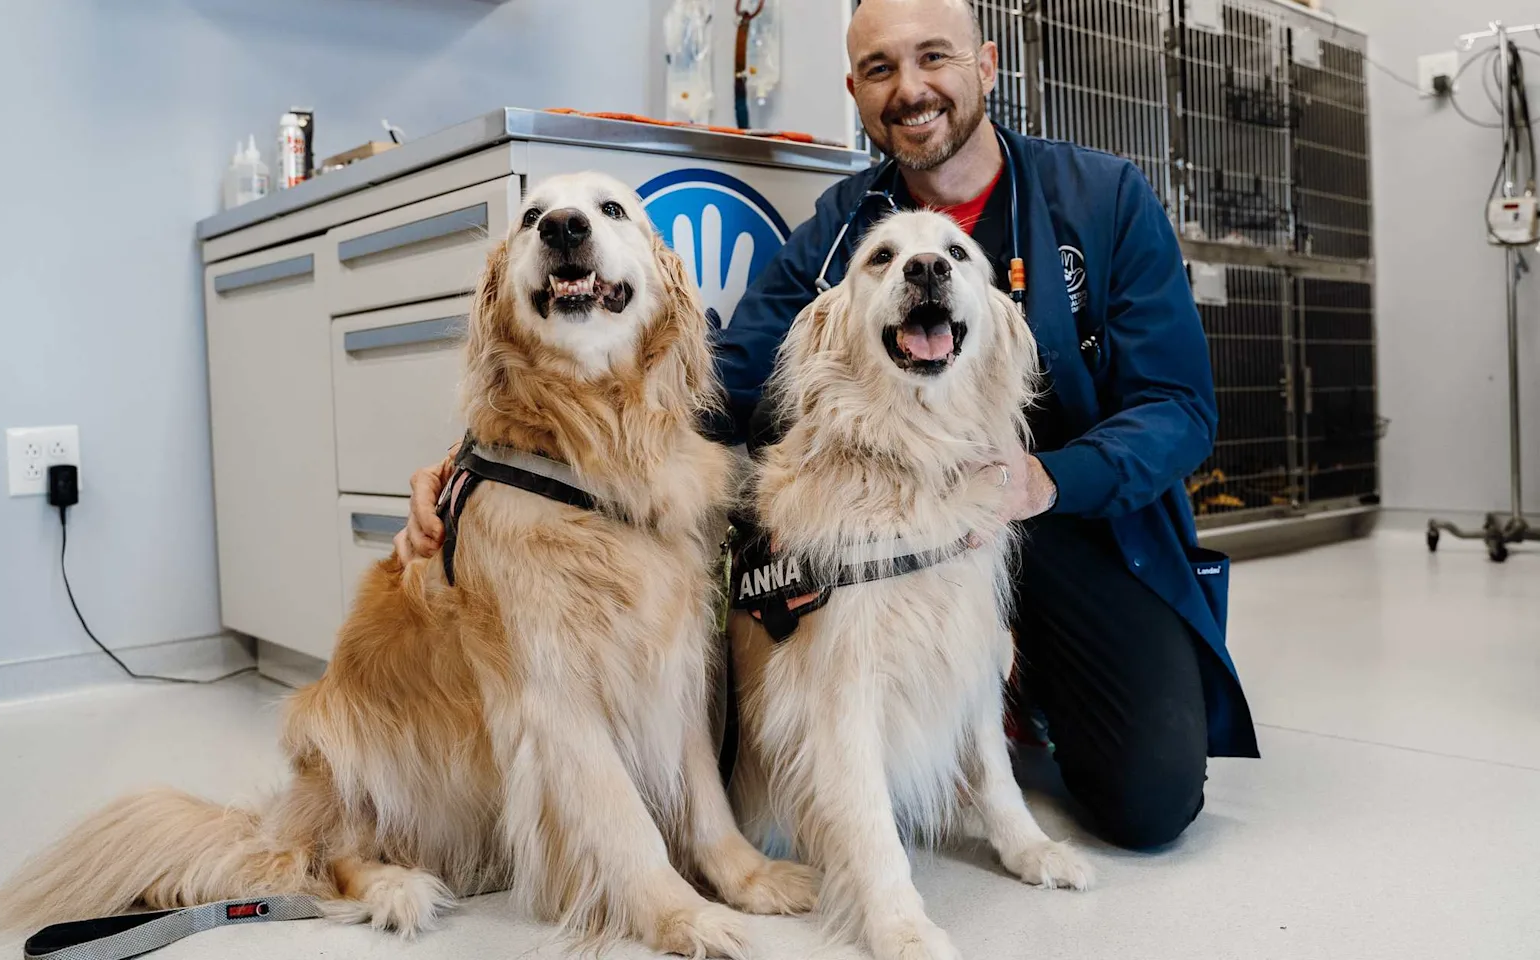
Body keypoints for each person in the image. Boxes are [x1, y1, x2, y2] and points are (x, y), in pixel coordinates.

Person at [396, 0, 1257, 850]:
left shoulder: (1104, 200)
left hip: (1069, 520)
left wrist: (1049, 481)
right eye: (880, 69)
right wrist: (497, 461)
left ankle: (1009, 691)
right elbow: (719, 381)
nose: (911, 88)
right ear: (855, 89)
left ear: (986, 66)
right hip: (893, 517)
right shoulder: (841, 228)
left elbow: (1179, 409)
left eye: (934, 58)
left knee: (1150, 802)